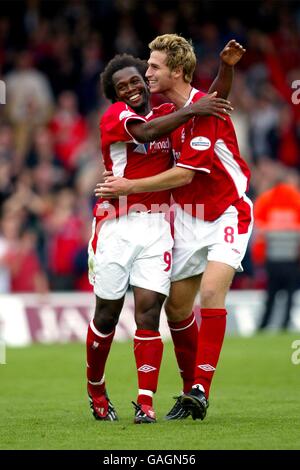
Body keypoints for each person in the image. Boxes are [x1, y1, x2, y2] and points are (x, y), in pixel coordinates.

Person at [97, 34, 252, 421]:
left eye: (153, 67)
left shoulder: (203, 115)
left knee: (212, 292)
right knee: (178, 308)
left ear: (176, 70)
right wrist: (227, 69)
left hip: (226, 212)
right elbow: (203, 98)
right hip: (185, 216)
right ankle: (187, 393)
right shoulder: (169, 108)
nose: (145, 73)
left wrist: (128, 187)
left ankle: (200, 388)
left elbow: (183, 175)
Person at [254, 173, 300, 331]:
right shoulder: (296, 199)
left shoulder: (266, 199)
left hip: (272, 258)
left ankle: (264, 324)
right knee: (290, 294)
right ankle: (285, 324)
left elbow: (258, 228)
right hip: (292, 258)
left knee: (271, 294)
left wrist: (259, 256)